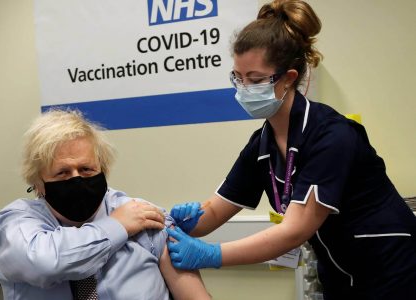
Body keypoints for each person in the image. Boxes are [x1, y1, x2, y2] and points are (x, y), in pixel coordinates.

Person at [166, 0, 416, 299]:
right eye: (238, 78)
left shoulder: (332, 135)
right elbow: (217, 209)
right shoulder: (261, 146)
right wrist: (182, 222)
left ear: (288, 79)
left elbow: (294, 231)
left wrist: (212, 255)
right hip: (339, 272)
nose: (244, 89)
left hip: (394, 267)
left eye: (256, 80)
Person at [0, 109, 211, 300]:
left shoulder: (143, 215)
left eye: (86, 169)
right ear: (38, 183)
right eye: (62, 173)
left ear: (103, 170)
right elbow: (44, 262)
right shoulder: (17, 221)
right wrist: (117, 226)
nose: (76, 179)